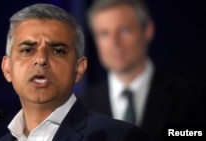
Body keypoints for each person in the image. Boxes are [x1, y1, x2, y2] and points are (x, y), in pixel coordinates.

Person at [0, 3, 149, 141]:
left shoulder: (119, 137)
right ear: (7, 68)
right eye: (27, 50)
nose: (41, 59)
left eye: (57, 51)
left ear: (79, 68)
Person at [80, 0, 206, 141]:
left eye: (124, 30)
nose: (114, 42)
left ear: (148, 30)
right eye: (104, 33)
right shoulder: (81, 108)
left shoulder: (193, 98)